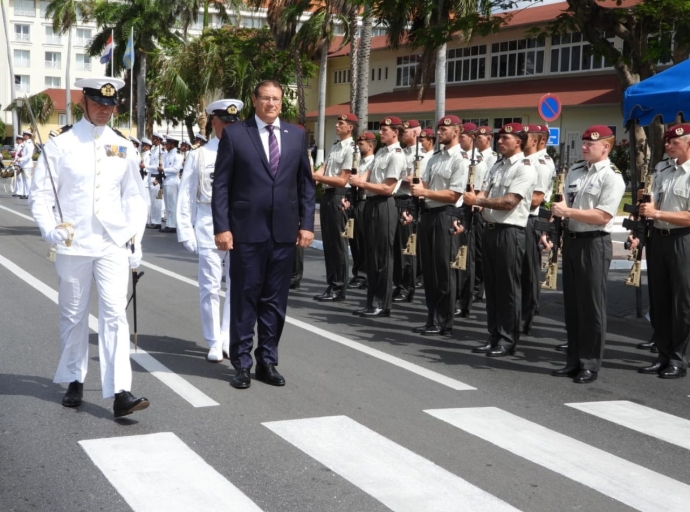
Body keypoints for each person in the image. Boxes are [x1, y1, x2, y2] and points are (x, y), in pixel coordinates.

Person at [29, 77, 149, 417]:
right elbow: (41, 195)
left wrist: (135, 239)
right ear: (84, 102)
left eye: (110, 105)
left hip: (111, 243)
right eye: (98, 103)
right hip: (73, 242)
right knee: (73, 314)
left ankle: (121, 391)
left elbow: (135, 197)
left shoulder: (123, 146)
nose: (105, 110)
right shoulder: (61, 145)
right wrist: (50, 229)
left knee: (114, 315)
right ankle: (73, 378)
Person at [212, 80, 315, 389]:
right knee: (244, 299)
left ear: (282, 103)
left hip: (284, 233)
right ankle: (241, 363)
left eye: (277, 99)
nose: (272, 104)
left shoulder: (296, 136)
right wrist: (222, 227)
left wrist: (307, 224)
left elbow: (306, 186)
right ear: (254, 101)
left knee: (274, 302)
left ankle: (267, 361)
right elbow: (221, 186)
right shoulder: (235, 133)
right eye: (266, 98)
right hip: (245, 231)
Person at [549, 125, 625, 383]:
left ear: (606, 147)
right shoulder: (576, 170)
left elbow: (603, 215)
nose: (584, 146)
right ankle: (573, 360)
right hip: (572, 241)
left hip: (593, 242)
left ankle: (590, 363)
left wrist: (567, 212)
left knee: (591, 306)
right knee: (573, 306)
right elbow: (565, 203)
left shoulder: (611, 176)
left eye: (590, 143)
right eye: (583, 142)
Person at [463, 123, 536, 358]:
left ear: (519, 141)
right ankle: (493, 334)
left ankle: (508, 339)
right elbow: (485, 191)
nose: (500, 141)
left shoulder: (525, 168)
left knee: (508, 289)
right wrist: (477, 198)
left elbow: (509, 202)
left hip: (510, 232)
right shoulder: (497, 166)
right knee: (492, 288)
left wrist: (478, 201)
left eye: (505, 138)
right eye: (499, 138)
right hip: (491, 229)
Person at [178, 99, 242, 362]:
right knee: (210, 286)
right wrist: (185, 229)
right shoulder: (199, 154)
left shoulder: (243, 151)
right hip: (208, 224)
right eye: (224, 122)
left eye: (232, 123)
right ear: (213, 122)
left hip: (239, 226)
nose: (228, 127)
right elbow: (186, 195)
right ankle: (214, 340)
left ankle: (227, 336)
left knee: (236, 286)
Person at [635, 124, 690, 379]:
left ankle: (679, 358)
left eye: (673, 142)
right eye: (667, 141)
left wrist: (656, 213)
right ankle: (663, 354)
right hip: (659, 238)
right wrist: (646, 204)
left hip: (683, 240)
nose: (667, 145)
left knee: (681, 302)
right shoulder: (662, 168)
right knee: (660, 300)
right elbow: (655, 199)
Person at [410, 115, 466, 336]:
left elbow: (454, 194)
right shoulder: (434, 158)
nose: (440, 131)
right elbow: (425, 183)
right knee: (430, 271)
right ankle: (432, 317)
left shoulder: (459, 159)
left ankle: (445, 321)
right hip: (429, 214)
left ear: (457, 131)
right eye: (439, 128)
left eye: (445, 128)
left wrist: (424, 192)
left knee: (444, 269)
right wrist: (419, 189)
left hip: (446, 215)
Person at [349, 117, 406, 317]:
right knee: (371, 255)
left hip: (384, 205)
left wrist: (361, 184)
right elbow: (367, 173)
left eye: (385, 130)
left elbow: (387, 187)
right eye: (381, 129)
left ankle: (382, 303)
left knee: (383, 257)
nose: (381, 133)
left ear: (395, 133)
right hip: (371, 204)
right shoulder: (382, 151)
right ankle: (371, 301)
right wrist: (357, 180)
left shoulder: (397, 155)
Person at [312, 113, 357, 302]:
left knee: (339, 244)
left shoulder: (352, 149)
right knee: (329, 243)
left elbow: (342, 179)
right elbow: (323, 168)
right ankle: (331, 284)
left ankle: (339, 288)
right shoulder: (335, 146)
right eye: (337, 123)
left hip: (341, 195)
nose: (337, 126)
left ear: (350, 127)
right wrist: (314, 174)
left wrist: (317, 178)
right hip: (329, 195)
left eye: (341, 124)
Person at [521, 125, 554, 334]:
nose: (521, 139)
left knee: (528, 270)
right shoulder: (525, 161)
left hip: (530, 219)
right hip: (520, 218)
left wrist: (509, 199)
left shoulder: (541, 164)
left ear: (539, 141)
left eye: (525, 137)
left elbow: (536, 200)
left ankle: (528, 313)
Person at [455, 123, 488, 318]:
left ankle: (465, 301)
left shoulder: (477, 161)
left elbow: (476, 190)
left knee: (467, 258)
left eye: (464, 136)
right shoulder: (461, 157)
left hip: (470, 211)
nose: (461, 139)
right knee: (459, 256)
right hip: (458, 210)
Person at [393, 119, 423, 303]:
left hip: (409, 202)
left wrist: (395, 177)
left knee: (408, 247)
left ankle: (408, 287)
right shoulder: (401, 152)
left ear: (415, 133)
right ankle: (399, 284)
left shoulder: (422, 155)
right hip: (397, 200)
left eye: (406, 131)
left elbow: (416, 180)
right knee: (397, 247)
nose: (402, 133)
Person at [347, 131, 378, 290]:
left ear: (371, 145)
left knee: (365, 240)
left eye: (361, 144)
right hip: (355, 201)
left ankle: (364, 274)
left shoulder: (374, 162)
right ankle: (357, 272)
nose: (359, 147)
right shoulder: (357, 162)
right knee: (355, 239)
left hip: (365, 201)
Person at [160, 135, 183, 233]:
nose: (166, 145)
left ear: (173, 144)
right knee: (167, 205)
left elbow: (175, 169)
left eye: (168, 143)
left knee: (172, 204)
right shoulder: (167, 154)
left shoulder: (177, 155)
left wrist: (164, 169)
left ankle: (172, 225)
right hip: (166, 181)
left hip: (173, 181)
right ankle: (169, 223)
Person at [146, 134, 165, 229]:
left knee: (157, 201)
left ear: (158, 139)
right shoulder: (154, 150)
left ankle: (157, 222)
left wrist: (146, 167)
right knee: (153, 201)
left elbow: (159, 166)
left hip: (157, 180)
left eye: (153, 139)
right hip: (151, 178)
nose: (152, 140)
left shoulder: (161, 151)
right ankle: (153, 220)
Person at [16, 130, 35, 199]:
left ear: (28, 136)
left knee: (27, 179)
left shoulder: (30, 144)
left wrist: (20, 159)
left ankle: (28, 194)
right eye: (23, 135)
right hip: (23, 164)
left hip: (27, 164)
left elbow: (29, 155)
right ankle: (25, 193)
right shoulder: (26, 143)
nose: (23, 136)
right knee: (24, 180)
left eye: (25, 135)